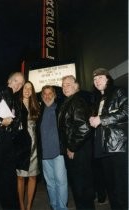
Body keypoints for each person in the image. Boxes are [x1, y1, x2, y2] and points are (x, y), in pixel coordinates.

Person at [89, 68, 128, 210]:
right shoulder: (98, 99)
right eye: (94, 79)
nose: (96, 81)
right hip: (103, 148)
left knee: (121, 188)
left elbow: (126, 111)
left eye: (100, 77)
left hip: (118, 146)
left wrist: (101, 119)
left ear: (108, 78)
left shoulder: (118, 91)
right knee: (111, 188)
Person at [0, 72, 25, 210]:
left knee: (8, 183)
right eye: (15, 81)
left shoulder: (14, 99)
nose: (18, 85)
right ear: (9, 80)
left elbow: (14, 125)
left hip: (6, 143)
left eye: (20, 83)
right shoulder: (0, 91)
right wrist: (1, 121)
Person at [58, 75, 95, 210]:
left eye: (68, 84)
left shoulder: (77, 101)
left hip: (79, 151)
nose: (65, 87)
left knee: (82, 188)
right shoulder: (70, 101)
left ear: (76, 86)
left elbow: (84, 127)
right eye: (63, 85)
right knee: (79, 188)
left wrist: (72, 148)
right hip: (77, 149)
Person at [38, 85, 68, 210]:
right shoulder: (39, 112)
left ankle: (62, 208)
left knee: (61, 182)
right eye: (44, 94)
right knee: (50, 184)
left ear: (55, 95)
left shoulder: (60, 108)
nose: (47, 96)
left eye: (50, 93)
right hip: (44, 154)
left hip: (58, 153)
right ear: (42, 96)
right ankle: (55, 206)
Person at [16, 81, 40, 210]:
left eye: (30, 89)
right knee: (20, 176)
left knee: (32, 176)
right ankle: (21, 205)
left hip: (34, 145)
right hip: (21, 145)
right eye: (25, 87)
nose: (27, 90)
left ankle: (29, 205)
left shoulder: (35, 105)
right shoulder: (15, 103)